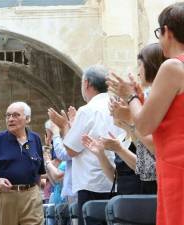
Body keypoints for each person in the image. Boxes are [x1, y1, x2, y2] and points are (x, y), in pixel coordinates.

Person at [107, 3, 184, 224]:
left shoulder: (173, 67)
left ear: (167, 32)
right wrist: (138, 103)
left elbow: (144, 126)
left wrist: (130, 95)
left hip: (177, 170)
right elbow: (159, 132)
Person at [61, 65, 125, 225]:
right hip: (118, 179)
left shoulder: (87, 110)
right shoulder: (118, 105)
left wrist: (66, 126)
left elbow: (70, 150)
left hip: (92, 182)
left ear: (87, 83)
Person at [0, 102, 45, 225]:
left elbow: (39, 171)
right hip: (5, 196)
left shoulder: (35, 139)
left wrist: (37, 193)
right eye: (8, 115)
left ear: (27, 119)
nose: (11, 119)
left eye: (16, 115)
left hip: (31, 196)